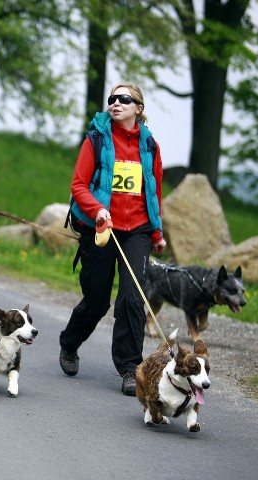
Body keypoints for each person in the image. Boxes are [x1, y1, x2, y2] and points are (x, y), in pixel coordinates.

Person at [58, 83, 167, 396]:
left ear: (138, 108)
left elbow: (154, 191)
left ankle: (130, 368)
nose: (116, 103)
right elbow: (79, 185)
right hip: (102, 227)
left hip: (138, 231)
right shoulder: (96, 140)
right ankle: (69, 343)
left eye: (124, 99)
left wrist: (157, 233)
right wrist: (98, 210)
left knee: (133, 298)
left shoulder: (150, 146)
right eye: (112, 99)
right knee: (97, 300)